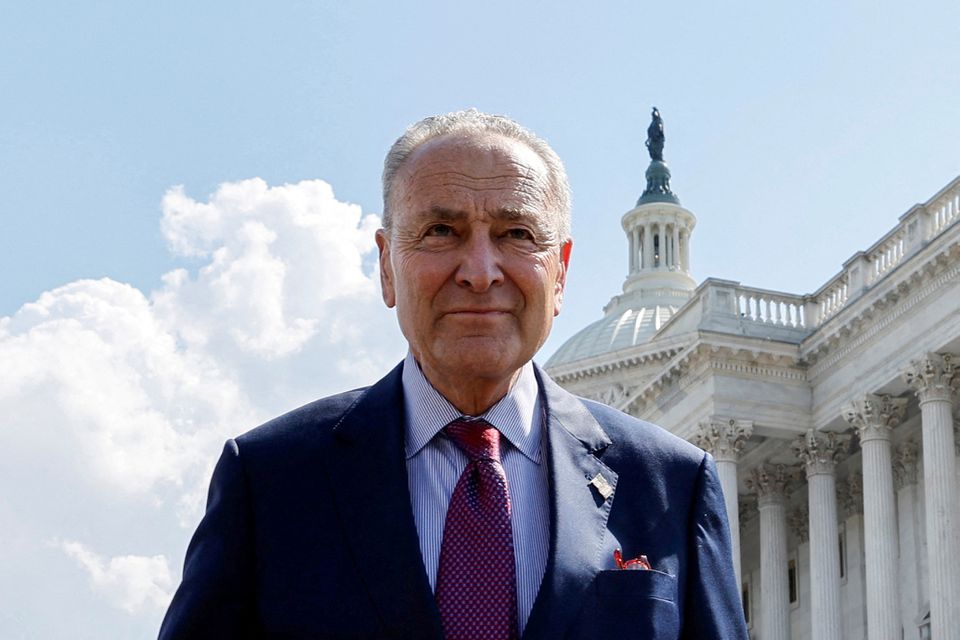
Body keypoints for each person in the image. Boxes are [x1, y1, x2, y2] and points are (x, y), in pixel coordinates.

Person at [159, 109, 748, 639]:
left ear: (560, 272)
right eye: (442, 231)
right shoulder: (270, 480)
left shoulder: (672, 483)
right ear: (387, 267)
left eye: (517, 234)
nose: (481, 270)